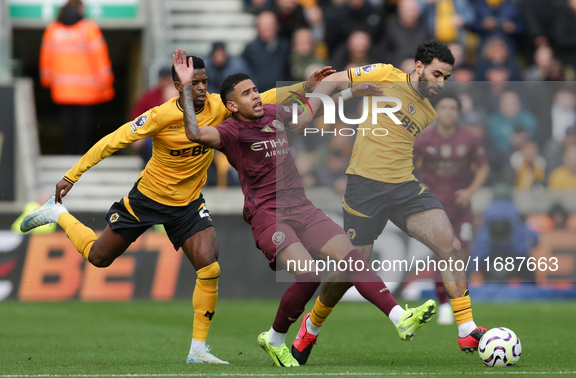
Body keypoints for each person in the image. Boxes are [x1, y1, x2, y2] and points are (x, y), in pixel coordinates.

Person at [19, 49, 333, 365]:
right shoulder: (160, 116)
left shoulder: (219, 108)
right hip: (147, 200)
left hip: (188, 205)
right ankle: (57, 213)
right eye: (193, 83)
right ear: (177, 84)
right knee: (99, 257)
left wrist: (305, 86)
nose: (201, 88)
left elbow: (264, 96)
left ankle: (198, 350)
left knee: (209, 266)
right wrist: (72, 176)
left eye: (204, 82)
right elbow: (112, 140)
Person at [175, 52, 437, 367]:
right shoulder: (230, 132)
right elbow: (194, 133)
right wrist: (186, 91)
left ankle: (399, 317)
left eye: (255, 89)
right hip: (268, 215)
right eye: (246, 94)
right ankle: (275, 337)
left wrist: (351, 92)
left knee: (353, 258)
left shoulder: (274, 112)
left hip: (302, 207)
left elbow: (303, 118)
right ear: (232, 106)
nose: (256, 96)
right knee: (309, 275)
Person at [296, 40, 487, 361]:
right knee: (350, 270)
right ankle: (310, 326)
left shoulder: (428, 113)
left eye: (446, 78)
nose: (440, 83)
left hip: (403, 188)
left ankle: (466, 329)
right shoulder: (386, 74)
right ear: (419, 67)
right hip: (364, 188)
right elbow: (333, 81)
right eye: (437, 74)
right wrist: (308, 112)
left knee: (450, 245)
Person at [413, 92, 490, 324]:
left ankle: (459, 304)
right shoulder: (424, 139)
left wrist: (470, 191)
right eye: (444, 107)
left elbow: (483, 168)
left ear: (458, 112)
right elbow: (406, 165)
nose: (448, 112)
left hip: (461, 207)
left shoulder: (469, 138)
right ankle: (445, 304)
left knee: (461, 254)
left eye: (453, 108)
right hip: (435, 207)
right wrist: (419, 185)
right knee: (442, 254)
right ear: (436, 111)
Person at [40, 0, 114, 155]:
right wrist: (106, 81)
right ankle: (82, 155)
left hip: (62, 88)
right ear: (80, 9)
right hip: (87, 88)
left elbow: (46, 58)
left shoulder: (52, 29)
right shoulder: (89, 28)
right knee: (83, 124)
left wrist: (46, 80)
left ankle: (68, 152)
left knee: (66, 122)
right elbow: (100, 56)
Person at [129, 66, 178, 164]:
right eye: (163, 79)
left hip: (174, 133)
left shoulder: (179, 94)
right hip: (152, 133)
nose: (165, 83)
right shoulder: (150, 95)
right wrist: (137, 134)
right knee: (150, 143)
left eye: (168, 80)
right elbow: (136, 115)